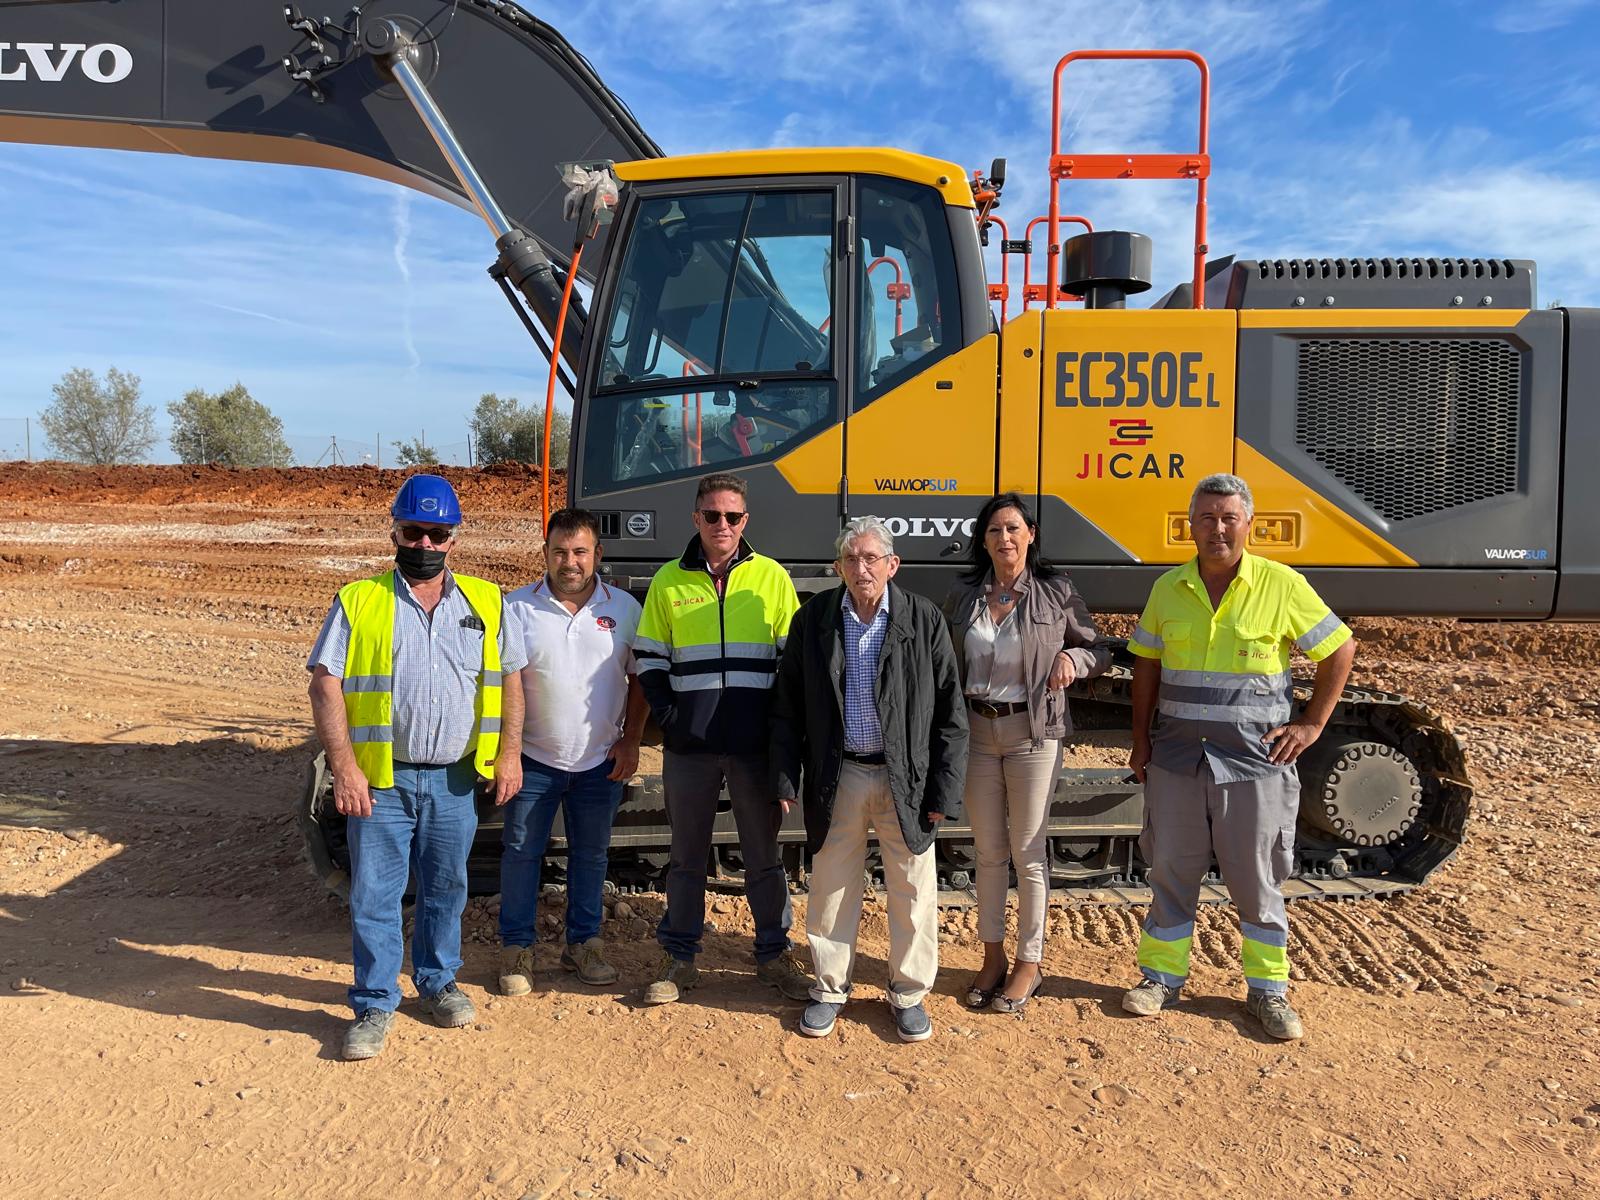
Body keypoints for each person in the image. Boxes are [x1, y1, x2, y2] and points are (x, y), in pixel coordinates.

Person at [1123, 473, 1356, 1040]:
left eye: (1229, 517)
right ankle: (1160, 978)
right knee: (1172, 870)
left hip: (1255, 764)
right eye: (1206, 518)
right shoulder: (1167, 589)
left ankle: (1267, 992)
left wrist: (1312, 723)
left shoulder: (1282, 585)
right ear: (1191, 526)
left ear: (1248, 524)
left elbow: (1340, 647)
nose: (1217, 528)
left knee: (1257, 878)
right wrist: (1141, 741)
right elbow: (1147, 667)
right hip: (1179, 759)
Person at [307, 474, 526, 1061]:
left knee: (445, 889)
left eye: (436, 534)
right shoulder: (360, 600)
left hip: (455, 778)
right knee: (376, 895)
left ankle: (437, 982)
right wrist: (345, 769)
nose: (424, 544)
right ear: (395, 533)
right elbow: (325, 686)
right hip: (384, 779)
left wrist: (507, 753)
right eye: (413, 532)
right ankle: (375, 1003)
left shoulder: (486, 600)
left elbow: (511, 681)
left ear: (453, 538)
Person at [772, 516, 968, 1041]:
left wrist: (944, 791)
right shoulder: (814, 619)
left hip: (907, 777)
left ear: (892, 565)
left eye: (871, 558)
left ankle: (908, 993)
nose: (861, 568)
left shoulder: (922, 619)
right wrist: (786, 777)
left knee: (912, 888)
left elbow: (951, 711)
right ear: (838, 566)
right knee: (832, 885)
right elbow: (787, 706)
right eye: (851, 559)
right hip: (840, 774)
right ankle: (830, 988)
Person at [632, 472, 812, 1004]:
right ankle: (679, 958)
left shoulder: (772, 578)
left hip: (754, 748)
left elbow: (791, 664)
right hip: (691, 748)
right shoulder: (668, 581)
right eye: (712, 515)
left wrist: (778, 732)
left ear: (745, 521)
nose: (722, 525)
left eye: (732, 516)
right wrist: (672, 717)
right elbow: (648, 658)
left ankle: (774, 956)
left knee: (764, 855)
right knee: (686, 855)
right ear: (696, 519)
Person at [944, 493, 1112, 1013]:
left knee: (1029, 853)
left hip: (1032, 736)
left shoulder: (1056, 591)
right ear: (984, 540)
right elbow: (945, 663)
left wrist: (1072, 658)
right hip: (976, 733)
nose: (1005, 539)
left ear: (1031, 534)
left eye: (1013, 529)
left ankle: (1029, 963)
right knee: (988, 854)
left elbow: (1100, 650)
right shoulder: (965, 596)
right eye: (994, 531)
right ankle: (992, 958)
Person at [496, 508, 647, 995]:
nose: (570, 562)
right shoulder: (517, 608)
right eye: (559, 551)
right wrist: (510, 752)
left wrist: (631, 740)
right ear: (545, 553)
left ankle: (584, 944)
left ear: (596, 554)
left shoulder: (624, 608)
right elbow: (506, 684)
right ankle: (518, 948)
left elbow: (638, 678)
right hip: (534, 760)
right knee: (521, 852)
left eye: (580, 551)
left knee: (591, 856)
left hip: (599, 759)